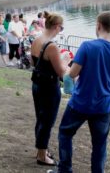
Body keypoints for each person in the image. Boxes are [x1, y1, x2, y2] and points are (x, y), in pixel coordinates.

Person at [57, 12, 110, 173]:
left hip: (80, 102)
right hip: (103, 106)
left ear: (98, 25)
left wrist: (66, 64)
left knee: (65, 133)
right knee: (99, 144)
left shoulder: (87, 47)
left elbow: (73, 74)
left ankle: (65, 169)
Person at [31, 12, 69, 167]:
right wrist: (66, 60)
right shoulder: (51, 45)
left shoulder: (37, 40)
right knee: (47, 121)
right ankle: (42, 155)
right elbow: (61, 72)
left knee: (40, 119)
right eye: (62, 27)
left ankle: (41, 150)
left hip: (37, 85)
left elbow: (34, 64)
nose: (61, 30)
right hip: (49, 87)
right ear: (56, 26)